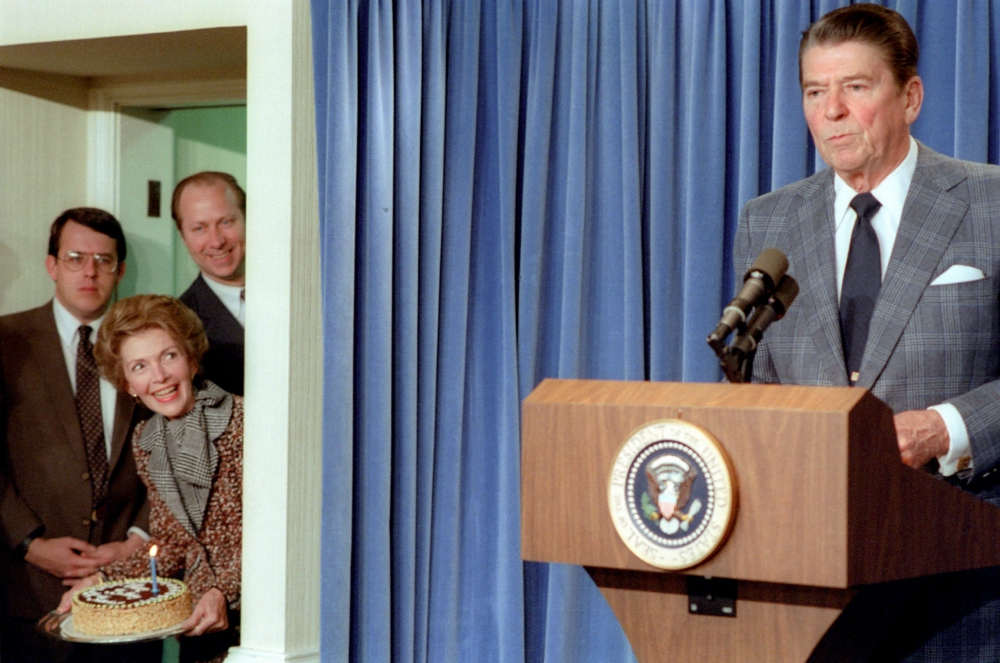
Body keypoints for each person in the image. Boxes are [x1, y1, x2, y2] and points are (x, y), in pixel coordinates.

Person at [736, 4, 1000, 660]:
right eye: (815, 91)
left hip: (960, 577)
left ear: (910, 96)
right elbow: (755, 384)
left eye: (855, 87)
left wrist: (949, 427)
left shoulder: (991, 204)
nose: (832, 111)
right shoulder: (768, 221)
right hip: (809, 585)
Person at [0, 208, 157, 662]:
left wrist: (135, 540)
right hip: (30, 594)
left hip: (129, 594)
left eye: (103, 260)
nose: (90, 271)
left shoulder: (148, 347)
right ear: (52, 265)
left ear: (120, 270)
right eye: (75, 257)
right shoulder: (7, 341)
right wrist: (30, 544)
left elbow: (171, 451)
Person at [60, 294, 242, 663]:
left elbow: (278, 533)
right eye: (139, 366)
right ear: (127, 383)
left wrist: (223, 590)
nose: (158, 377)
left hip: (259, 617)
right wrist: (105, 579)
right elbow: (173, 544)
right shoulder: (149, 444)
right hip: (199, 629)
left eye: (168, 356)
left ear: (191, 360)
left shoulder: (244, 421)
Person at [173, 172, 246, 396]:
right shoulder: (178, 324)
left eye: (226, 222)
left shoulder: (299, 294)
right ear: (183, 236)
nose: (216, 241)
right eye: (199, 228)